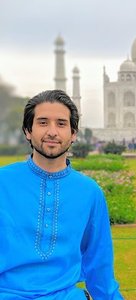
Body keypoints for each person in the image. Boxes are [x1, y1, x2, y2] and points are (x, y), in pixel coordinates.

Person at [0, 90, 124, 299]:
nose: (52, 132)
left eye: (61, 123)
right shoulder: (3, 182)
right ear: (27, 131)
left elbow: (99, 267)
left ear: (73, 133)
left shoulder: (89, 192)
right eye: (42, 122)